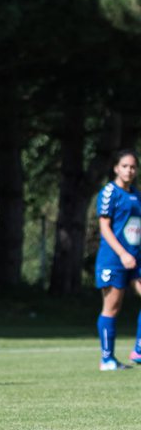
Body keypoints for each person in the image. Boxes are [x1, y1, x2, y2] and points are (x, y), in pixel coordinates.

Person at [93, 149, 141, 370]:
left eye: (133, 167)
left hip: (135, 258)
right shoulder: (109, 193)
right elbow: (104, 227)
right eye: (125, 166)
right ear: (116, 168)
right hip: (113, 259)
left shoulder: (136, 194)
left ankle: (139, 350)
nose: (129, 170)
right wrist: (122, 253)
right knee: (112, 307)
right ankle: (107, 359)